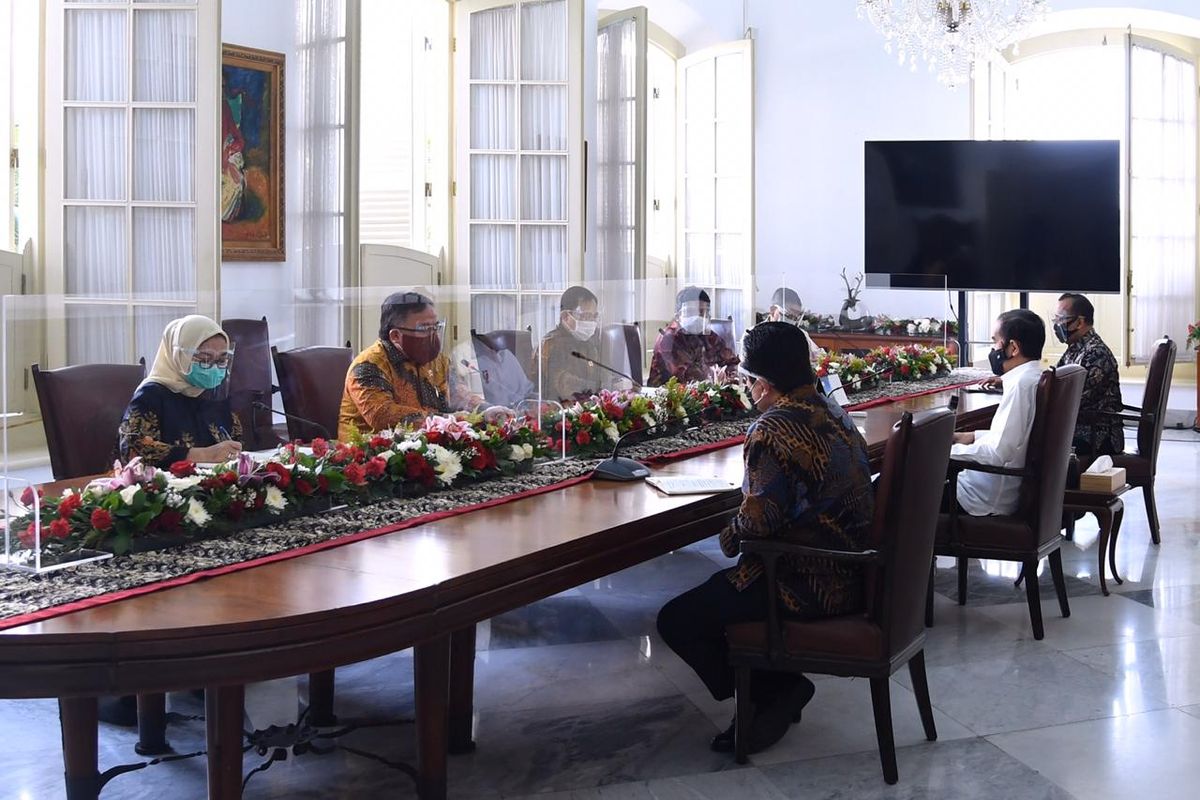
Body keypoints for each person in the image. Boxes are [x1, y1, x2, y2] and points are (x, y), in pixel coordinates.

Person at [656, 322, 874, 756]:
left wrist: (730, 532)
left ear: (761, 383)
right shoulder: (834, 409)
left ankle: (768, 692)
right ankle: (775, 688)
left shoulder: (773, 427)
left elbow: (758, 524)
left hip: (804, 581)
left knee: (678, 620)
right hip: (856, 568)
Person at [953, 309, 1045, 516]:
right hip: (990, 489)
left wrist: (941, 452)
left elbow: (998, 453)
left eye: (995, 342)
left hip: (980, 499)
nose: (993, 349)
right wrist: (970, 436)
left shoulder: (1020, 386)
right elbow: (1017, 439)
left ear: (1013, 348)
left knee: (896, 483)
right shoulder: (1033, 377)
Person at [119, 315, 243, 468]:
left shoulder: (213, 393)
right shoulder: (151, 395)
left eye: (221, 360)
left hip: (213, 485)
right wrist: (204, 455)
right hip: (162, 487)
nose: (214, 368)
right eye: (205, 359)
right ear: (180, 355)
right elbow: (133, 450)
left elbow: (235, 439)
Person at [339, 291, 452, 439]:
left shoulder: (435, 360)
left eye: (435, 326)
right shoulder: (368, 365)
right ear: (395, 336)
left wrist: (484, 411)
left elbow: (458, 395)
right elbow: (382, 415)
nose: (432, 335)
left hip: (424, 446)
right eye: (424, 328)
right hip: (370, 454)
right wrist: (446, 420)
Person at [1053, 293, 1123, 461]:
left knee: (1034, 442)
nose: (1057, 325)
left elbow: (1075, 399)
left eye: (1061, 319)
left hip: (1097, 434)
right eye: (1055, 319)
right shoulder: (1075, 348)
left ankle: (1048, 487)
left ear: (1080, 321)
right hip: (1077, 427)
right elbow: (1054, 380)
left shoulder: (1095, 353)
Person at [648, 286, 740, 386]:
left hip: (706, 396)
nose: (698, 317)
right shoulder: (669, 339)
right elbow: (688, 377)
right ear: (678, 316)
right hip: (670, 397)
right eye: (691, 311)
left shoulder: (708, 336)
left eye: (702, 312)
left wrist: (730, 378)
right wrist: (717, 377)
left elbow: (732, 363)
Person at [536, 285, 608, 402]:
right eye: (585, 316)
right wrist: (600, 386)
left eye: (593, 316)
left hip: (587, 406)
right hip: (556, 411)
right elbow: (565, 384)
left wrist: (616, 384)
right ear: (565, 316)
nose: (590, 322)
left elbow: (602, 374)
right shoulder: (550, 344)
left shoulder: (589, 344)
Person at [451, 333, 536, 409]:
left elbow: (527, 392)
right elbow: (461, 399)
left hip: (519, 415)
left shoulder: (507, 356)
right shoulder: (464, 356)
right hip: (487, 418)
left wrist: (538, 402)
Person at [766, 286, 826, 361]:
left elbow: (820, 356)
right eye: (789, 316)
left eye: (795, 318)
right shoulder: (753, 334)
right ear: (773, 311)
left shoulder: (801, 334)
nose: (792, 321)